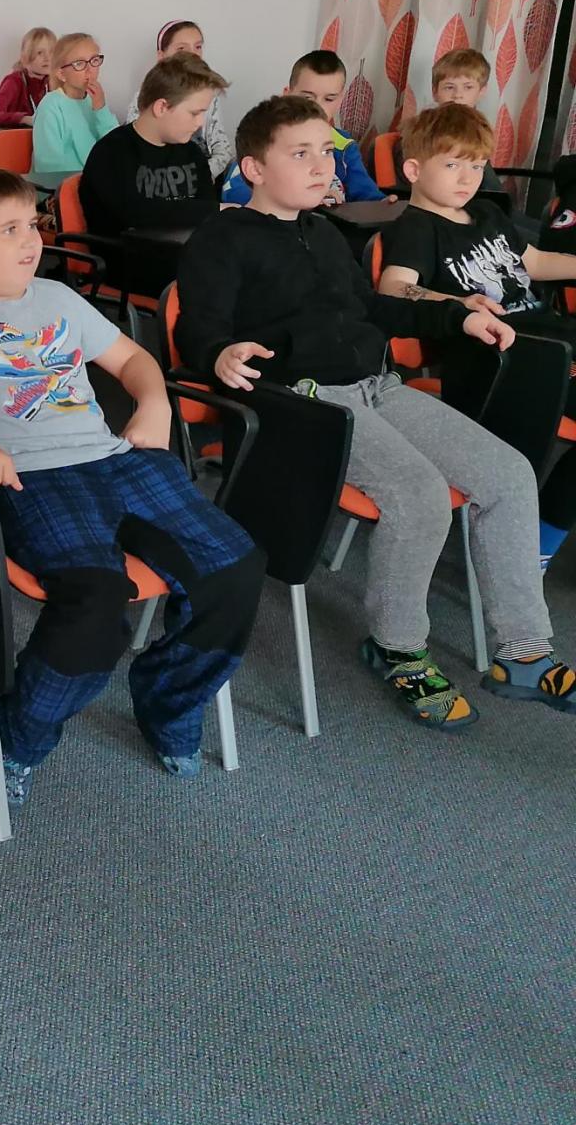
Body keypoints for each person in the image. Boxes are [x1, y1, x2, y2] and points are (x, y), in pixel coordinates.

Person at [177, 94, 560, 729]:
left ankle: (522, 648)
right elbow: (197, 326)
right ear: (254, 168)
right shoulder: (222, 238)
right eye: (300, 154)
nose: (321, 166)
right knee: (420, 494)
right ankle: (397, 647)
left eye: (325, 153)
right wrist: (219, 352)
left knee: (510, 475)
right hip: (306, 401)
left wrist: (457, 316)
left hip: (376, 387)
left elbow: (373, 309)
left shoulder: (325, 233)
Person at [0, 168, 264, 809]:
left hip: (113, 459)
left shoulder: (57, 297)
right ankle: (20, 738)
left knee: (234, 567)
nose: (31, 239)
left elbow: (134, 360)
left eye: (32, 224)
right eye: (9, 230)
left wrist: (154, 403)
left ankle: (168, 700)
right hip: (29, 475)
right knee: (95, 602)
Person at [376, 102, 576, 569]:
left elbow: (533, 263)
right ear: (413, 170)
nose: (468, 177)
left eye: (477, 165)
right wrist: (458, 303)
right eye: (453, 165)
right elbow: (395, 287)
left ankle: (538, 536)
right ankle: (536, 543)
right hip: (500, 355)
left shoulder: (487, 213)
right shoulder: (415, 227)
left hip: (548, 338)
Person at [79, 52, 229, 296]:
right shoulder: (112, 152)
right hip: (131, 263)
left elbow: (205, 208)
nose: (200, 123)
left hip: (184, 255)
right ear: (161, 107)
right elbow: (137, 214)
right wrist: (214, 210)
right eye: (194, 113)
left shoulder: (191, 152)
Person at [222, 51, 384, 204]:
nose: (318, 107)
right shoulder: (267, 137)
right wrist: (302, 199)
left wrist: (384, 205)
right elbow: (234, 191)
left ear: (341, 100)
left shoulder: (344, 144)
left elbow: (367, 194)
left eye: (329, 99)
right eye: (307, 97)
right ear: (287, 94)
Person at [124, 21, 232, 178]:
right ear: (161, 56)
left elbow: (223, 150)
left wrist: (198, 176)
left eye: (198, 46)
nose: (193, 54)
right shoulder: (145, 98)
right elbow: (136, 148)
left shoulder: (208, 95)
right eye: (181, 48)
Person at [31, 31, 117, 173]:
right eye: (79, 63)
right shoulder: (51, 106)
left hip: (97, 179)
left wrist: (101, 109)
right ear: (61, 74)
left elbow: (117, 147)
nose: (90, 70)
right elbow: (49, 166)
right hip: (65, 183)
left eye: (94, 60)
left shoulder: (94, 101)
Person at [0, 27, 55, 129]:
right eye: (40, 53)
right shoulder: (14, 82)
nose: (47, 58)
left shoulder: (52, 81)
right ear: (25, 58)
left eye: (51, 52)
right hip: (16, 136)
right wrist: (24, 119)